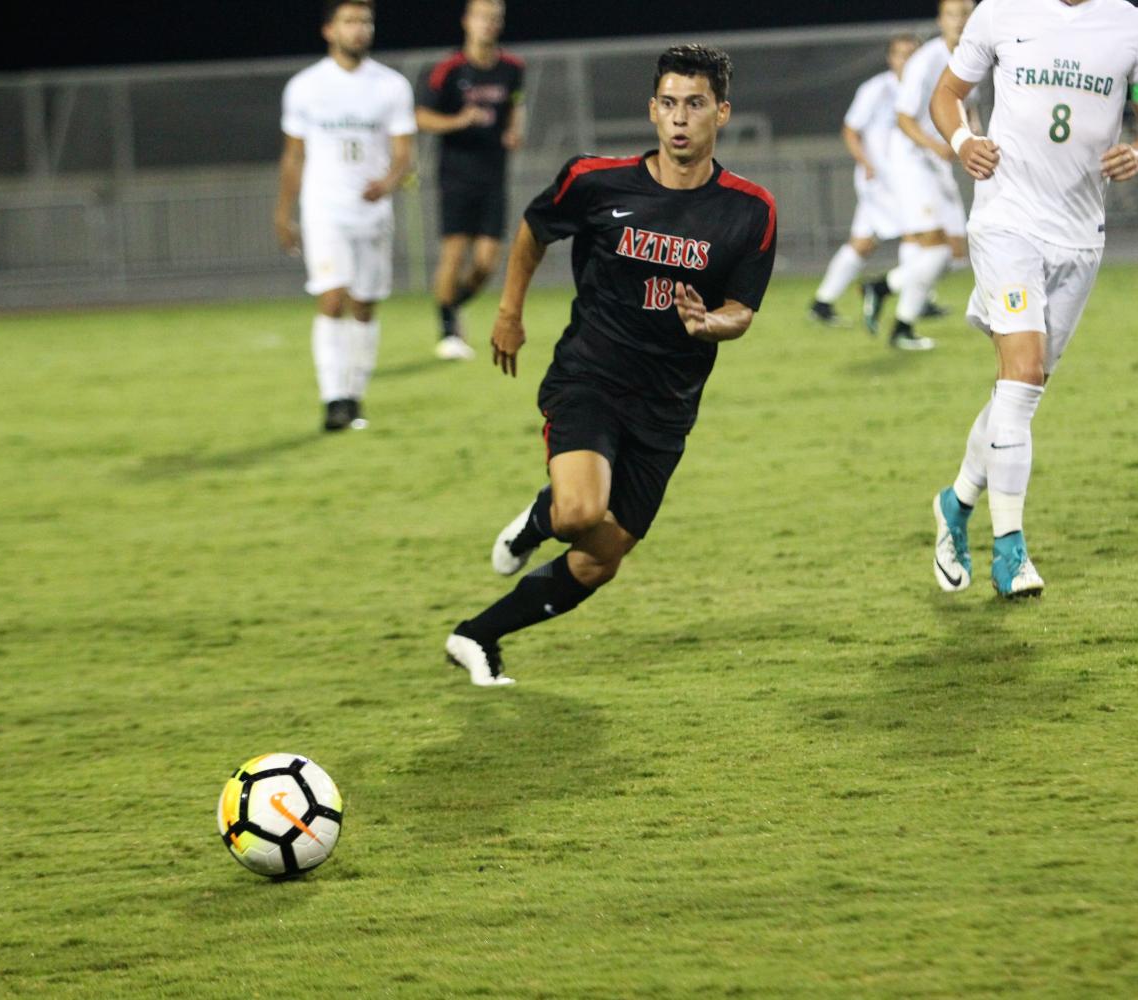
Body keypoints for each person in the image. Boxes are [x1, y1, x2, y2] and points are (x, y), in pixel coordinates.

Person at [444, 44, 778, 686]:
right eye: (670, 104)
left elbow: (742, 308)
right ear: (653, 111)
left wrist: (711, 323)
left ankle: (477, 635)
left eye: (696, 105)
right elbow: (535, 229)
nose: (681, 119)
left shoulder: (750, 210)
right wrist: (510, 312)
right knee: (576, 514)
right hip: (590, 378)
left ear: (722, 113)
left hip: (668, 405)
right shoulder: (595, 181)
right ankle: (543, 517)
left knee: (602, 558)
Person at [928, 0, 1138, 597]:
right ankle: (1010, 553)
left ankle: (955, 501)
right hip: (1007, 221)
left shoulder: (1136, 27)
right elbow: (946, 95)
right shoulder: (1000, 13)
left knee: (1025, 387)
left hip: (1080, 238)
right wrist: (963, 141)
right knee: (1021, 374)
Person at [275, 0, 416, 432]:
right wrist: (284, 212)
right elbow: (294, 155)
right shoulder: (305, 86)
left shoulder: (391, 86)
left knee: (364, 305)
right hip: (324, 209)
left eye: (365, 22)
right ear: (329, 30)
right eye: (350, 21)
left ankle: (354, 392)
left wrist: (389, 182)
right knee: (332, 296)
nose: (359, 29)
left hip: (371, 213)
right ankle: (334, 398)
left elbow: (404, 152)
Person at [862, 0, 978, 350]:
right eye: (953, 14)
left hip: (939, 160)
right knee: (935, 251)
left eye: (967, 13)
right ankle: (899, 322)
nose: (960, 21)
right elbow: (904, 117)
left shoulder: (976, 55)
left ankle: (884, 289)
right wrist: (936, 146)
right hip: (913, 160)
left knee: (956, 254)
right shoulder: (926, 61)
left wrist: (974, 141)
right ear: (941, 20)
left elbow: (968, 107)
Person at [416, 0, 525, 361]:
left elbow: (516, 106)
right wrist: (459, 120)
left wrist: (513, 131)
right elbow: (421, 117)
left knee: (486, 263)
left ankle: (451, 304)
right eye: (483, 17)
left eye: (496, 18)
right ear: (467, 22)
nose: (489, 24)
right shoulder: (447, 69)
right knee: (454, 251)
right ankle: (448, 330)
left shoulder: (512, 68)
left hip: (493, 176)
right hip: (456, 175)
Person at [808, 34, 919, 329]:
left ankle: (822, 302)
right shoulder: (876, 89)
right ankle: (912, 298)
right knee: (920, 236)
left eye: (913, 53)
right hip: (879, 182)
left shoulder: (922, 88)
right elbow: (850, 129)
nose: (907, 60)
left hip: (905, 181)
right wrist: (866, 163)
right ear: (890, 58)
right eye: (901, 54)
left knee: (862, 244)